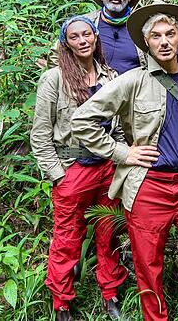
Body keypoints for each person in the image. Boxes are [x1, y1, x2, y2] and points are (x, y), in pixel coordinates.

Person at [70, 2, 178, 321]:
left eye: (170, 34)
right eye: (156, 35)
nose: (164, 41)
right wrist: (122, 152)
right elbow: (83, 120)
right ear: (146, 42)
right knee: (149, 269)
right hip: (148, 188)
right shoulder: (132, 81)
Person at [31, 16, 129, 321]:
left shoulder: (110, 76)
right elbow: (40, 134)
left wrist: (122, 161)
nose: (83, 40)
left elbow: (121, 124)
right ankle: (62, 302)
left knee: (109, 231)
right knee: (67, 236)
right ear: (66, 43)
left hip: (107, 167)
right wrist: (58, 176)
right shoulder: (54, 79)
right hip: (73, 167)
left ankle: (110, 293)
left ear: (96, 37)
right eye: (75, 37)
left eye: (88, 34)